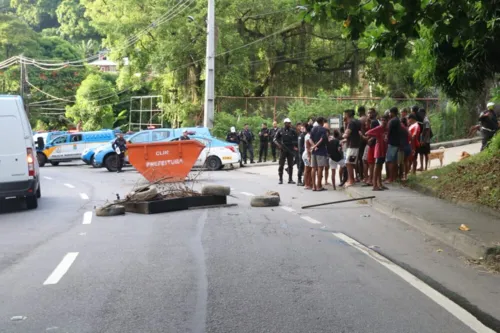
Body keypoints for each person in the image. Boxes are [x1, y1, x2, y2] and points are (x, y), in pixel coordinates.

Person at [365, 114, 389, 191]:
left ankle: (380, 183)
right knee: (377, 166)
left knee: (380, 167)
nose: (383, 122)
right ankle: (375, 184)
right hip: (379, 149)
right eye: (382, 120)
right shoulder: (379, 128)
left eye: (385, 120)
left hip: (384, 149)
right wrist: (375, 136)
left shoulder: (387, 129)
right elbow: (367, 133)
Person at [274, 118, 298, 184]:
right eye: (288, 123)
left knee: (290, 165)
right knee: (281, 165)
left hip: (290, 150)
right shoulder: (280, 130)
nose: (290, 124)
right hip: (283, 150)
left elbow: (296, 139)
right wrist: (279, 146)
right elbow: (275, 139)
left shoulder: (292, 131)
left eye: (290, 123)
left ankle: (290, 179)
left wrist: (294, 146)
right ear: (285, 123)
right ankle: (280, 179)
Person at [342, 109, 361, 187]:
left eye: (344, 114)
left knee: (348, 162)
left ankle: (351, 180)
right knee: (351, 162)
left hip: (352, 146)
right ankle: (352, 178)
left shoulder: (351, 122)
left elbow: (346, 134)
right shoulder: (357, 121)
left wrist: (343, 135)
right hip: (355, 145)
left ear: (347, 114)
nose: (344, 116)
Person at [310, 117, 329, 191]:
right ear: (322, 122)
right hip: (321, 151)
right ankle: (319, 186)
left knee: (313, 168)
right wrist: (316, 146)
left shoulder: (313, 129)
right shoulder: (323, 130)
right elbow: (322, 139)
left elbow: (310, 139)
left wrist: (313, 146)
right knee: (320, 168)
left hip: (314, 151)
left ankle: (314, 186)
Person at [386, 107, 401, 183]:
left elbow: (388, 131)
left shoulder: (392, 121)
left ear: (392, 112)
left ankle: (390, 178)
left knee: (390, 161)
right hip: (396, 143)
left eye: (389, 112)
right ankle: (394, 177)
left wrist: (386, 138)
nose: (389, 114)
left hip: (392, 143)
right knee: (394, 161)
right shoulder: (398, 120)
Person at [357, 106, 367, 182]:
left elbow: (358, 131)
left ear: (360, 112)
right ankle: (366, 175)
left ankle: (361, 176)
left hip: (360, 140)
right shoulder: (368, 119)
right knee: (367, 159)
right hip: (368, 140)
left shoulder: (359, 120)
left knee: (360, 159)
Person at [302, 124, 313, 189]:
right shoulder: (308, 136)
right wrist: (309, 156)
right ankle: (306, 184)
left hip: (307, 154)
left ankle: (309, 183)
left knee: (309, 169)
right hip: (307, 155)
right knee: (307, 169)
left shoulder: (308, 135)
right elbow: (308, 147)